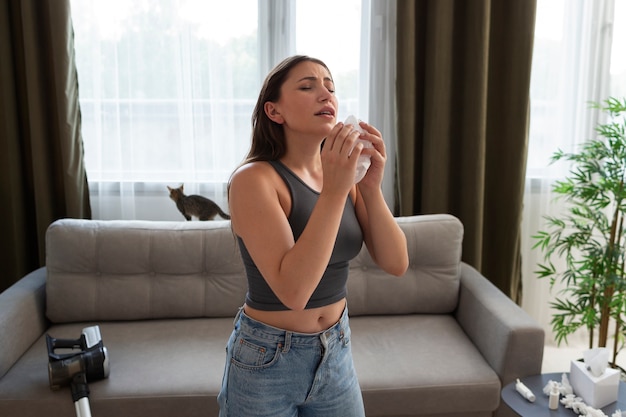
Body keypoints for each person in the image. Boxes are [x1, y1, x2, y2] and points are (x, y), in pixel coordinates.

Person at [218, 55, 409, 417]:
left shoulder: (342, 176)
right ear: (275, 112)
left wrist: (369, 187)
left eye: (330, 87)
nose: (326, 94)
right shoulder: (254, 180)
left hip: (336, 349)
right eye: (308, 86)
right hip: (266, 359)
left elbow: (396, 262)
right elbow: (294, 292)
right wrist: (336, 191)